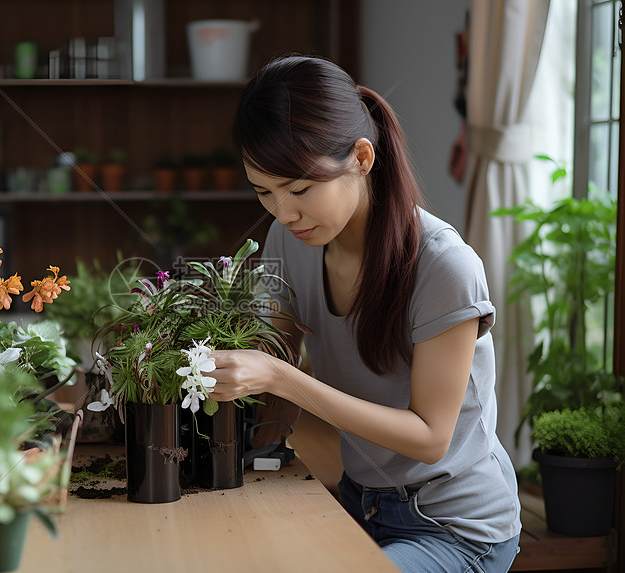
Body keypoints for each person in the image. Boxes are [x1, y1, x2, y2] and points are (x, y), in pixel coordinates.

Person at [210, 55, 521, 573]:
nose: (284, 213)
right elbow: (274, 352)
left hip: (456, 527)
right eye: (264, 191)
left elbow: (429, 437)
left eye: (301, 189)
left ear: (361, 157)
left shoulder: (444, 266)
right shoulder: (290, 239)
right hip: (363, 501)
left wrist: (282, 378)